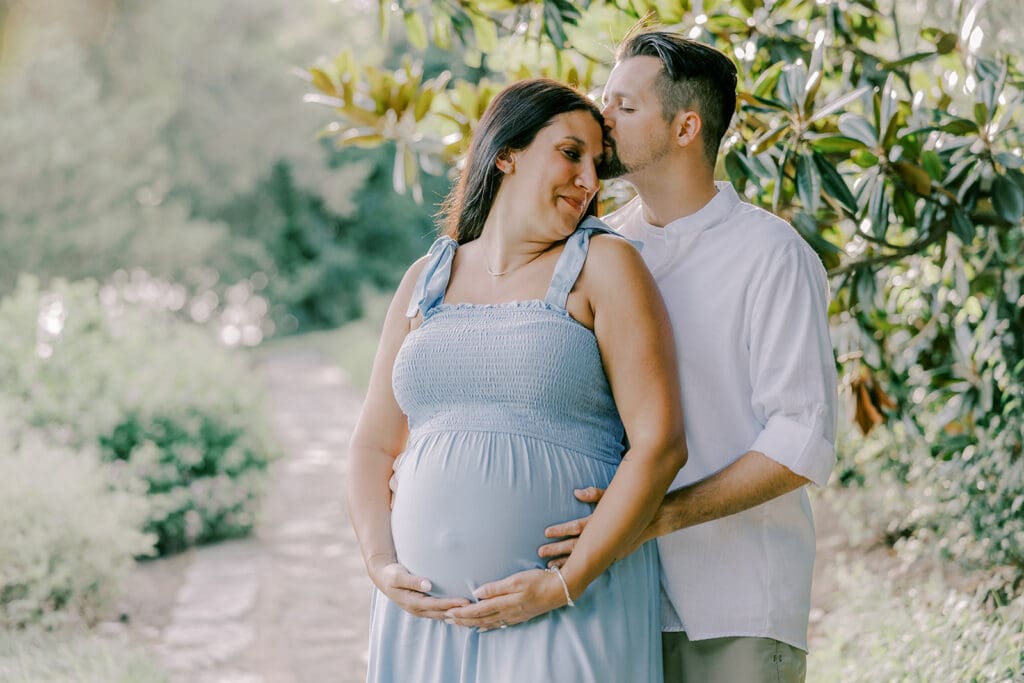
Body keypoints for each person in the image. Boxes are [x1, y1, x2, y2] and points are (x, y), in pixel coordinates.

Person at [347, 77, 686, 682]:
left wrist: (563, 584)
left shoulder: (605, 266)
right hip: (427, 620)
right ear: (506, 152)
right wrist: (379, 563)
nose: (588, 179)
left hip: (570, 609)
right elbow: (373, 444)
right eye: (570, 152)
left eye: (598, 166)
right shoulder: (426, 277)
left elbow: (660, 444)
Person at [538, 31, 839, 682]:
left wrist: (653, 516)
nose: (601, 118)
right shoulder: (598, 249)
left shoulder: (772, 255)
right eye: (603, 100)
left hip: (735, 604)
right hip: (613, 597)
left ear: (685, 127)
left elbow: (800, 438)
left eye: (624, 105)